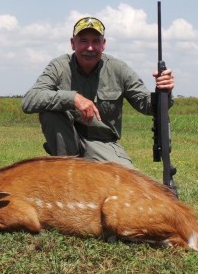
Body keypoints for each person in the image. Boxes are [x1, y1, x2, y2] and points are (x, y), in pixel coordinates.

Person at [22, 17, 174, 168]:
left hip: (102, 143)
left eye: (96, 41)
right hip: (66, 145)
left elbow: (147, 105)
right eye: (83, 41)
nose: (90, 48)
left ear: (104, 44)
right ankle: (67, 171)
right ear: (72, 43)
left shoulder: (118, 69)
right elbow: (29, 100)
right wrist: (72, 98)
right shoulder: (59, 66)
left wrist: (164, 91)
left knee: (126, 180)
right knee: (49, 113)